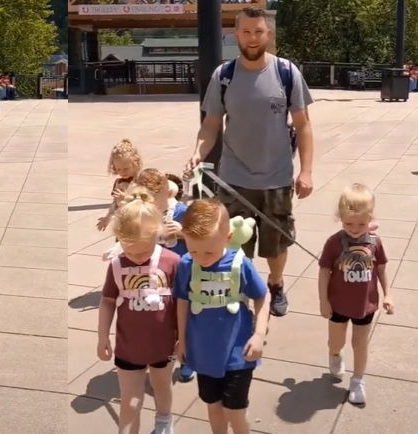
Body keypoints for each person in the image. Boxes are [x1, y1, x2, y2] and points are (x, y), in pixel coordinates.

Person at [186, 7, 315, 317]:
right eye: (246, 32)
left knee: (277, 244)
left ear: (267, 34)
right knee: (232, 243)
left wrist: (306, 171)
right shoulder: (224, 76)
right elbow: (211, 125)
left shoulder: (287, 72)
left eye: (259, 32)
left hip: (277, 177)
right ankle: (239, 287)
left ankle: (276, 284)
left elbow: (303, 125)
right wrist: (197, 153)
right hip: (233, 179)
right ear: (235, 34)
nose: (253, 38)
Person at [174, 199, 270, 434]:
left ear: (227, 238)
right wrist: (182, 340)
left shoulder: (240, 264)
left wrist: (259, 334)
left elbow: (263, 296)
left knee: (235, 411)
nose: (201, 257)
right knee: (213, 406)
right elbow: (182, 302)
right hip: (203, 351)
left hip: (238, 351)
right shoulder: (187, 264)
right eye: (193, 249)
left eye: (209, 251)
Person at [97, 188, 179, 434]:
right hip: (128, 347)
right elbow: (108, 300)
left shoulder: (172, 261)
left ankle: (164, 421)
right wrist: (102, 336)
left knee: (161, 385)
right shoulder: (118, 264)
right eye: (128, 249)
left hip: (163, 345)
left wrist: (184, 339)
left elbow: (183, 303)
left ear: (156, 236)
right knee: (130, 402)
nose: (134, 257)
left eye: (142, 251)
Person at [318, 183, 394, 405]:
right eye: (349, 223)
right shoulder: (334, 243)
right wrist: (323, 301)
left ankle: (358, 380)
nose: (355, 228)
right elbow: (323, 271)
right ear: (340, 218)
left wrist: (388, 294)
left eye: (361, 223)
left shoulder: (375, 242)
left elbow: (380, 269)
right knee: (336, 341)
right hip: (338, 304)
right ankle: (334, 355)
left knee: (360, 344)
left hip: (365, 305)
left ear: (370, 218)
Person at [96, 139, 142, 232]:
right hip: (123, 224)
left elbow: (145, 203)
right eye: (118, 169)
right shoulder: (119, 183)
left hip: (138, 225)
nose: (122, 172)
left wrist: (127, 198)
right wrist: (108, 218)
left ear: (136, 163)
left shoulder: (141, 181)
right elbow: (115, 204)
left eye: (126, 168)